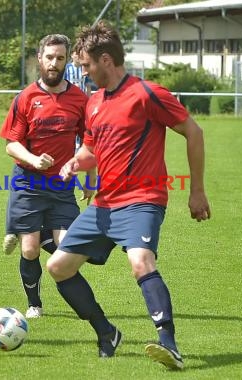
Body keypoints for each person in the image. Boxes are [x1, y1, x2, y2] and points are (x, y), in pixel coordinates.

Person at [46, 21, 211, 368]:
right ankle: (106, 332)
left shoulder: (147, 94)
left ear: (106, 60)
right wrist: (75, 163)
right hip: (104, 203)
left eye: (87, 65)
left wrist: (197, 191)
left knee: (140, 262)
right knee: (58, 266)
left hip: (142, 199)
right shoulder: (93, 103)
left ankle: (170, 345)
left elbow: (193, 133)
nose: (84, 73)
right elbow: (92, 150)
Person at [0, 34, 91, 319]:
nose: (54, 63)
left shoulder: (78, 99)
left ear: (66, 61)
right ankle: (34, 304)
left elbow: (89, 142)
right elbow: (11, 144)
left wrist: (90, 179)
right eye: (49, 57)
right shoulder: (26, 98)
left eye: (60, 58)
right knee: (28, 250)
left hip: (62, 184)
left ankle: (34, 234)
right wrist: (33, 159)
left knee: (67, 248)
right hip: (28, 182)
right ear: (40, 59)